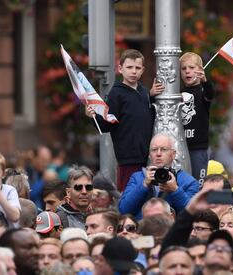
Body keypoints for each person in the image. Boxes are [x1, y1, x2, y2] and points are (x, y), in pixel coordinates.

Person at [85, 49, 164, 192]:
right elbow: (106, 124)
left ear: (143, 70)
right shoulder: (116, 93)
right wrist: (93, 117)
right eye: (129, 67)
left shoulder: (144, 91)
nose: (133, 71)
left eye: (137, 68)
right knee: (131, 194)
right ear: (120, 69)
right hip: (128, 159)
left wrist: (151, 96)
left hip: (148, 157)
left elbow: (142, 109)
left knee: (149, 196)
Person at [119, 133, 199, 219]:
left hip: (171, 231)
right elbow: (123, 210)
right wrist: (144, 185)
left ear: (173, 154)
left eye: (164, 149)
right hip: (142, 230)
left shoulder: (189, 182)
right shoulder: (137, 178)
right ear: (149, 155)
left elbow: (193, 214)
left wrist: (175, 190)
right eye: (154, 150)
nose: (158, 154)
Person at [179, 52, 215, 184]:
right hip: (180, 146)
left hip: (198, 148)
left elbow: (210, 94)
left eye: (192, 68)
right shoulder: (178, 93)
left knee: (197, 183)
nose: (187, 71)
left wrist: (205, 81)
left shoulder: (203, 91)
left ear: (200, 70)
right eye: (184, 69)